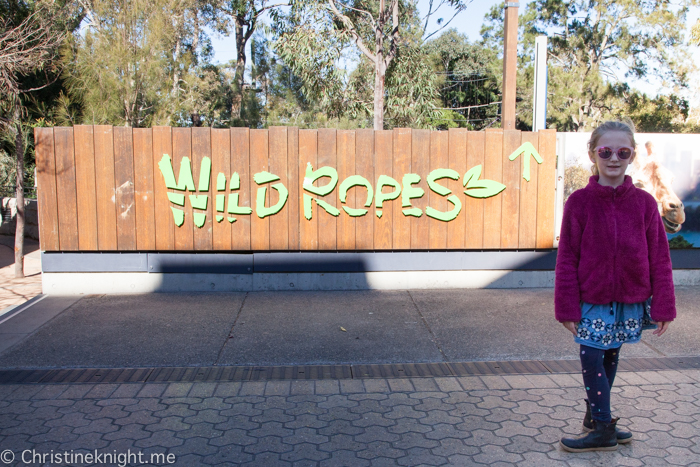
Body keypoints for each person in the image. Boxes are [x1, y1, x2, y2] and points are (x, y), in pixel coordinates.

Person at [555, 121, 676, 452]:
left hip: (629, 300)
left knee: (610, 355)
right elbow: (566, 258)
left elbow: (660, 258)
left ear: (632, 155)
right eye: (605, 151)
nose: (613, 158)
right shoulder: (579, 203)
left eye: (622, 152)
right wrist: (566, 306)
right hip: (591, 299)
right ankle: (604, 427)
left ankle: (597, 418)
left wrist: (664, 304)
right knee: (592, 355)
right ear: (593, 154)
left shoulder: (645, 204)